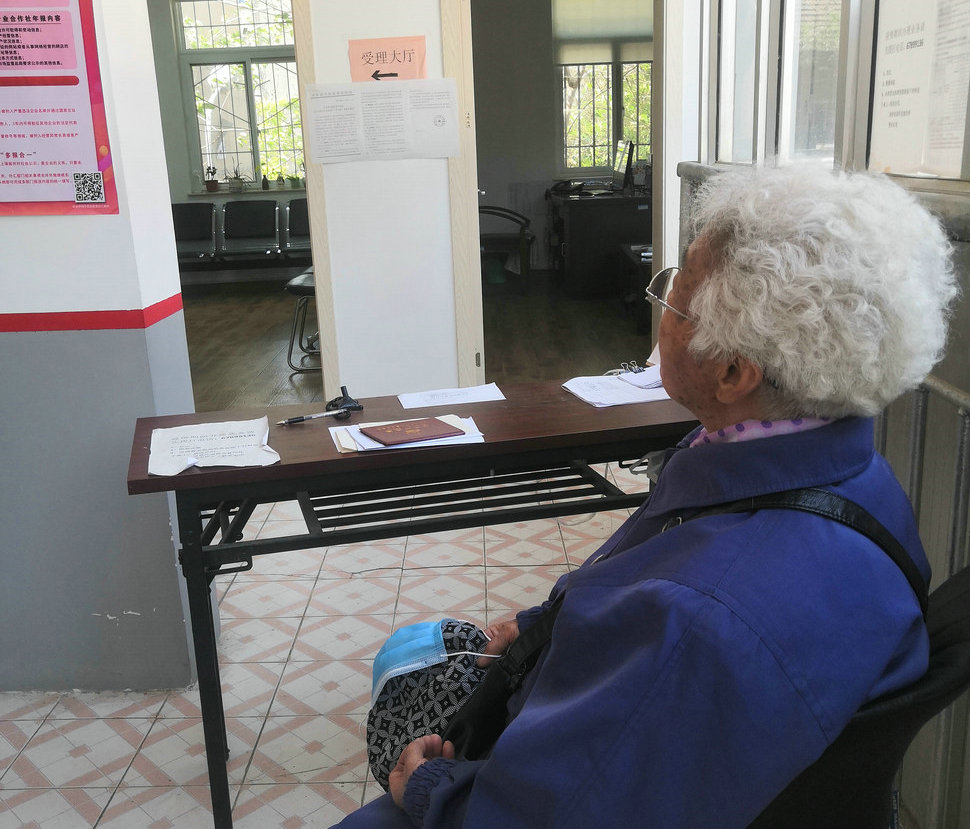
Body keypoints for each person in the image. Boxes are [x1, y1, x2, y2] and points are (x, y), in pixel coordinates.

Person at [333, 164, 957, 828]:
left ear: (732, 371)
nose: (661, 306)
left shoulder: (699, 622)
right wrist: (543, 621)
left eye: (675, 295)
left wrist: (429, 788)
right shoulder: (843, 474)